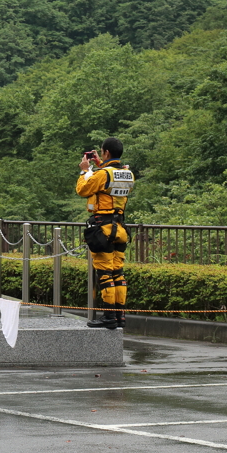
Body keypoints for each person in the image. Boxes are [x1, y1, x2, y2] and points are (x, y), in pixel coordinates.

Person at [77, 137, 135, 329]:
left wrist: (85, 170)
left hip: (103, 228)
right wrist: (100, 165)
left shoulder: (102, 174)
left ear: (106, 152)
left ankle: (108, 317)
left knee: (105, 274)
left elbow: (83, 189)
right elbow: (110, 181)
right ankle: (120, 316)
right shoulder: (128, 173)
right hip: (120, 229)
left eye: (102, 152)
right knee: (118, 273)